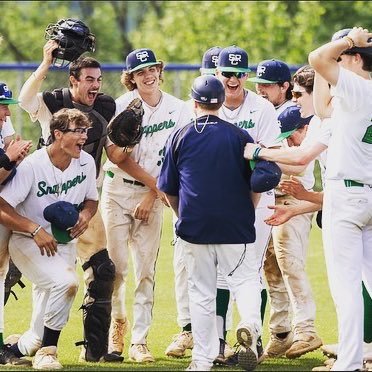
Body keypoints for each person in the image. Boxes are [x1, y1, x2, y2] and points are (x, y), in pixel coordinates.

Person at [16, 39, 126, 363]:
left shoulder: (106, 107)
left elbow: (110, 152)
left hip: (84, 199)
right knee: (22, 274)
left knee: (103, 271)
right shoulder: (53, 101)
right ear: (73, 81)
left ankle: (94, 351)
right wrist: (46, 62)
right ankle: (21, 344)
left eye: (99, 79)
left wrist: (129, 146)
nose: (95, 85)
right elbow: (25, 100)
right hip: (43, 200)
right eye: (88, 79)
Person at [158, 74, 263, 372]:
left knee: (201, 293)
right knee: (244, 281)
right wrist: (248, 211)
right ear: (221, 102)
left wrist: (182, 216)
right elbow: (257, 183)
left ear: (194, 102)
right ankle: (251, 325)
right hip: (235, 223)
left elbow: (168, 187)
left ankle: (201, 361)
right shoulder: (241, 136)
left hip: (195, 225)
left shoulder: (179, 135)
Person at [101, 47, 192, 363]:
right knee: (116, 269)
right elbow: (114, 155)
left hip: (154, 197)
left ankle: (139, 340)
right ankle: (117, 324)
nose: (148, 75)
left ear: (160, 70)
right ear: (131, 78)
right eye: (141, 72)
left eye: (152, 69)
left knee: (145, 272)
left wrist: (153, 195)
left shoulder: (180, 109)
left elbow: (180, 157)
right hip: (118, 192)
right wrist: (156, 188)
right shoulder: (121, 105)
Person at [0, 108, 98, 369]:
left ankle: (21, 347)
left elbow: (91, 200)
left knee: (36, 334)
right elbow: (2, 205)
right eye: (77, 131)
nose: (83, 137)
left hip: (64, 242)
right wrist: (33, 229)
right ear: (57, 133)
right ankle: (48, 352)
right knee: (67, 284)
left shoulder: (86, 161)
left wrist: (86, 216)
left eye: (85, 131)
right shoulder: (34, 165)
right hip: (28, 241)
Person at [308, 26, 372, 371]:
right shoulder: (353, 93)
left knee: (346, 287)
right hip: (369, 195)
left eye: (344, 57)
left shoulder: (358, 88)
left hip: (347, 196)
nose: (337, 61)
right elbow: (321, 108)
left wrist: (350, 40)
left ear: (357, 59)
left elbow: (317, 58)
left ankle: (348, 364)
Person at [214, 45, 280, 362]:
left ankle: (252, 340)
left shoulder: (262, 108)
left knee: (250, 269)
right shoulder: (207, 104)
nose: (234, 79)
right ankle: (222, 342)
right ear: (217, 74)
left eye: (240, 74)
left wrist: (247, 155)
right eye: (228, 73)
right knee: (219, 273)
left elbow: (270, 155)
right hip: (219, 199)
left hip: (256, 197)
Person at [0, 84, 32, 366]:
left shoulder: (3, 121)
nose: (6, 112)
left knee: (1, 275)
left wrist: (14, 155)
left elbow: (10, 141)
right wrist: (10, 161)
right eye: (2, 105)